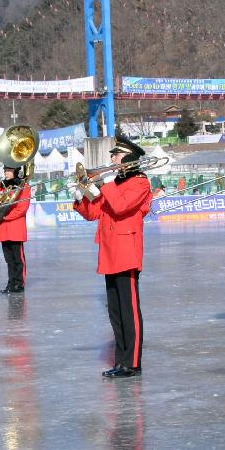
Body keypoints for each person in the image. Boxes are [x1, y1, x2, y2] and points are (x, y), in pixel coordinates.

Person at [72, 135, 151, 378]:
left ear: (128, 157)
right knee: (115, 311)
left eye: (116, 155)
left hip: (126, 251)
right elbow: (94, 212)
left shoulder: (140, 183)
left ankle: (133, 361)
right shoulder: (114, 183)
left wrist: (105, 183)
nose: (112, 159)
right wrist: (81, 196)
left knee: (129, 310)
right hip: (109, 251)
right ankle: (121, 360)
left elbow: (120, 207)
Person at [0, 166, 32, 294]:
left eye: (8, 171)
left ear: (15, 172)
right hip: (3, 228)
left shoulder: (24, 186)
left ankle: (19, 283)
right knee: (8, 259)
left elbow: (22, 209)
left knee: (18, 259)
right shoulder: (0, 185)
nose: (6, 173)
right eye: (5, 170)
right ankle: (11, 282)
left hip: (15, 226)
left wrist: (5, 216)